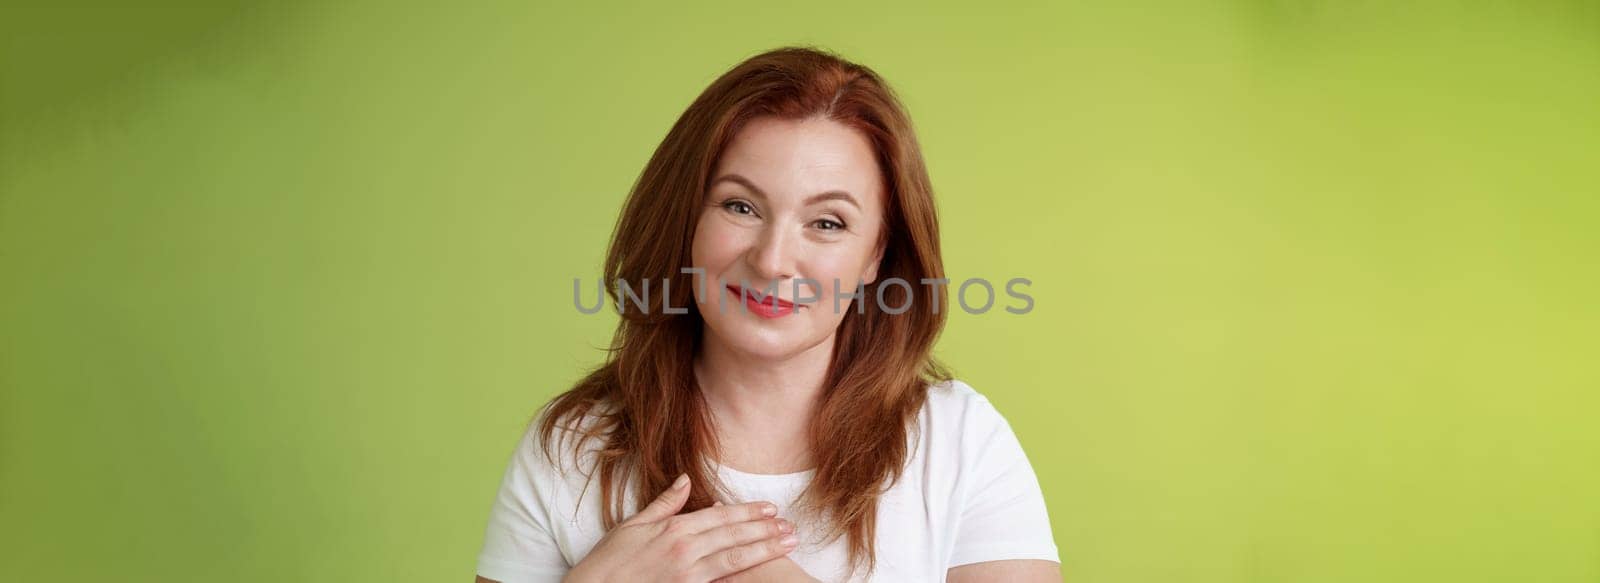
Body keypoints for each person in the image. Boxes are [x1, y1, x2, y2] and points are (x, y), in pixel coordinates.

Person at [474, 46, 1060, 583]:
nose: (773, 260)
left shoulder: (958, 443)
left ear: (875, 256)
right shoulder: (572, 449)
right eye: (740, 206)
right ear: (689, 224)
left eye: (827, 222)